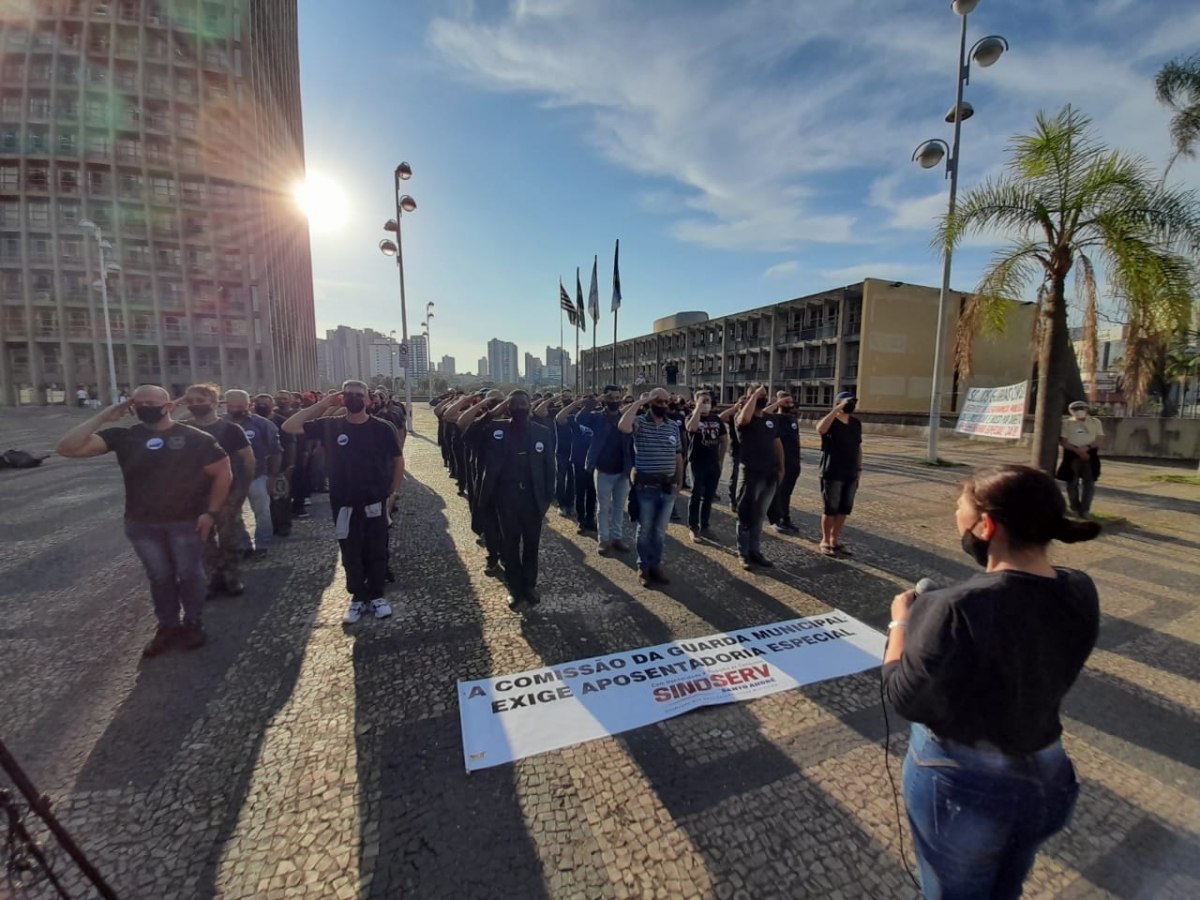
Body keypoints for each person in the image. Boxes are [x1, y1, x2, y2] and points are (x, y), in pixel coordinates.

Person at [883, 465, 1102, 899]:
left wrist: (901, 624)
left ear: (987, 526)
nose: (955, 516)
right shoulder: (1081, 588)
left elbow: (904, 697)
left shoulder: (953, 607)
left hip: (964, 786)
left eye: (959, 509)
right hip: (1048, 775)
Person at [55, 386, 232, 657]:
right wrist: (103, 416)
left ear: (168, 406)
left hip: (186, 521)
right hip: (142, 524)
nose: (145, 407)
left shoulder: (195, 438)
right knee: (159, 577)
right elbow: (67, 448)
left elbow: (223, 472)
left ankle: (193, 622)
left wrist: (211, 513)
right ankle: (167, 626)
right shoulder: (125, 436)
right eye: (139, 403)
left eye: (151, 402)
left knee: (189, 573)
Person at [284, 381, 404, 624]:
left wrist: (392, 493)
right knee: (350, 549)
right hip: (344, 502)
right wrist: (323, 403)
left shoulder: (382, 428)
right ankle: (358, 597)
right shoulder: (330, 425)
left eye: (358, 395)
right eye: (348, 394)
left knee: (377, 548)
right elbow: (290, 426)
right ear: (342, 398)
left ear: (367, 399)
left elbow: (398, 461)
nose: (353, 398)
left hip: (375, 498)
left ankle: (377, 595)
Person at [458, 390, 555, 610]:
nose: (520, 407)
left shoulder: (542, 432)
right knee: (510, 545)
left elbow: (550, 467)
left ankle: (529, 585)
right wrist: (491, 414)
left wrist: (546, 498)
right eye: (515, 404)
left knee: (531, 544)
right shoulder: (496, 428)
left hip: (532, 499)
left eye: (524, 403)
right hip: (505, 498)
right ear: (508, 407)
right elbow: (468, 435)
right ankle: (514, 587)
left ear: (530, 406)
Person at [184, 384, 255, 596]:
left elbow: (249, 460)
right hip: (194, 495)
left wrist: (242, 491)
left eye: (200, 400)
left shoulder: (231, 430)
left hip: (227, 492)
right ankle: (211, 578)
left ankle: (232, 577)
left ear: (215, 403)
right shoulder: (182, 429)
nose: (195, 405)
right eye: (191, 401)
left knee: (228, 539)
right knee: (202, 540)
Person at [619, 388, 683, 588]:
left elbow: (678, 455)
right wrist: (641, 402)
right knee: (645, 529)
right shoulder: (640, 422)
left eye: (666, 401)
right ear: (650, 402)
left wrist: (679, 481)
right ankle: (643, 567)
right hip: (646, 488)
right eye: (658, 401)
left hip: (667, 487)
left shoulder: (672, 426)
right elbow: (623, 425)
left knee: (660, 531)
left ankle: (655, 565)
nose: (663, 405)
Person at [564, 386, 633, 554]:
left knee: (618, 507)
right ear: (605, 399)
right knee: (603, 507)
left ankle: (617, 538)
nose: (614, 401)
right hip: (603, 470)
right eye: (611, 397)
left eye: (617, 397)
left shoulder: (625, 418)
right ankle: (603, 539)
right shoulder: (597, 417)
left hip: (622, 470)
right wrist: (597, 399)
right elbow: (580, 418)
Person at [225, 389, 282, 557]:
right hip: (229, 478)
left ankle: (263, 544)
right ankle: (244, 545)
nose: (236, 410)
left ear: (249, 405)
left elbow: (276, 451)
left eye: (240, 406)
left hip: (257, 475)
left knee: (262, 512)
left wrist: (273, 476)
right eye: (232, 406)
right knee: (233, 513)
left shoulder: (263, 424)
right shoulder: (220, 424)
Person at [734, 385, 783, 569]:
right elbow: (744, 419)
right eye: (757, 395)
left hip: (769, 474)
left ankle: (755, 550)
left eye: (763, 394)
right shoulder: (743, 417)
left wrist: (782, 468)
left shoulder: (771, 419)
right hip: (751, 474)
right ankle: (743, 553)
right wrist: (754, 395)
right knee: (745, 514)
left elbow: (778, 444)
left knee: (760, 515)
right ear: (749, 398)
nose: (762, 397)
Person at [815, 391, 862, 557]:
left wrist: (859, 470)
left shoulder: (855, 423)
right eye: (847, 402)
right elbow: (820, 429)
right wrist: (836, 410)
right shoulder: (831, 421)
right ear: (837, 404)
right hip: (832, 471)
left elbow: (858, 447)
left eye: (852, 402)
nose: (851, 405)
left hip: (850, 472)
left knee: (844, 509)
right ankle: (825, 540)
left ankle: (835, 540)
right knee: (830, 509)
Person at [685, 391, 727, 542]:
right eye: (703, 401)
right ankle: (693, 527)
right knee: (696, 495)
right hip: (697, 462)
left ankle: (705, 526)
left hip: (713, 463)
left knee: (709, 497)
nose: (706, 404)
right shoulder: (691, 417)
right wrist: (698, 409)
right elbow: (691, 428)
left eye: (707, 401)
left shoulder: (716, 419)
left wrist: (721, 460)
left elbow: (724, 439)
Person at [1057, 400, 1103, 519]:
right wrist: (1078, 451)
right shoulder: (1066, 423)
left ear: (1087, 409)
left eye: (1082, 408)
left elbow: (1099, 439)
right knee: (1072, 483)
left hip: (1090, 454)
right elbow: (1064, 441)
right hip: (1072, 454)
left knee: (1089, 484)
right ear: (1070, 411)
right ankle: (1074, 509)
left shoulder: (1095, 422)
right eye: (1076, 409)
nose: (1079, 411)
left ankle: (1085, 510)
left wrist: (1087, 448)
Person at [766, 391, 802, 534]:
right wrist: (777, 403)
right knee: (778, 492)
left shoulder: (792, 418)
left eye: (790, 402)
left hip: (793, 461)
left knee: (787, 493)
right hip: (779, 461)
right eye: (786, 402)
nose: (789, 405)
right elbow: (763, 413)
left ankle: (786, 518)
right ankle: (776, 519)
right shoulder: (773, 418)